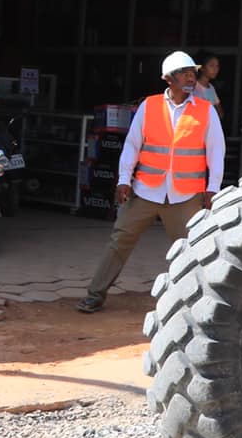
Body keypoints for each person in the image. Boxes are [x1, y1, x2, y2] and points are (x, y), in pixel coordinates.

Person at [77, 52, 224, 313]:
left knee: (191, 251)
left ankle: (197, 303)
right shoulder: (150, 106)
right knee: (119, 241)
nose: (191, 77)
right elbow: (133, 145)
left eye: (193, 72)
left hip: (186, 196)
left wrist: (213, 188)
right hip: (145, 191)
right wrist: (124, 179)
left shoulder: (205, 111)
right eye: (185, 73)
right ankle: (95, 295)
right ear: (169, 79)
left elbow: (216, 152)